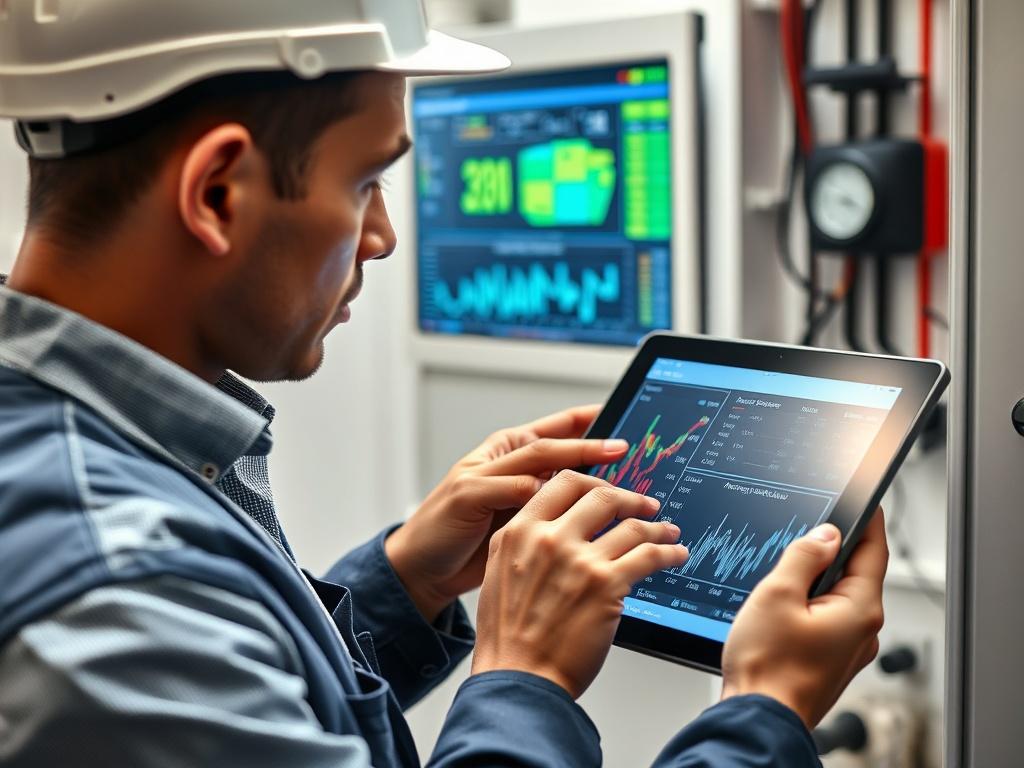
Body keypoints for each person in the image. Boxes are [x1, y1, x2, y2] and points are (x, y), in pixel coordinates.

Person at [0, 2, 887, 765]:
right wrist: (747, 708)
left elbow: (258, 694)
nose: (381, 237)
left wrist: (400, 585)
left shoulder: (72, 441)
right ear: (219, 194)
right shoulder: (120, 597)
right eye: (366, 182)